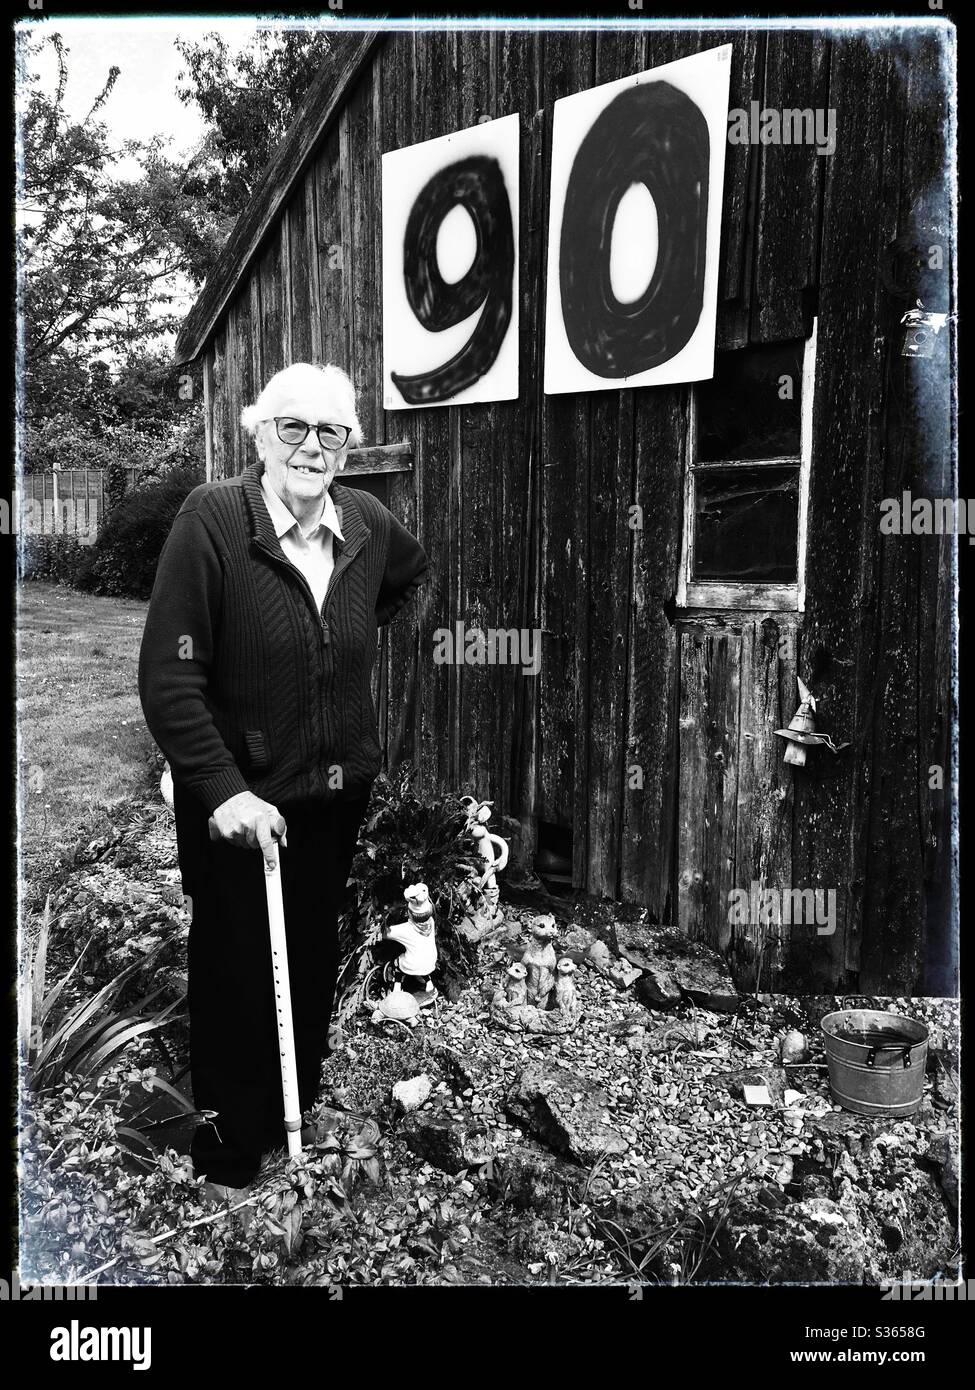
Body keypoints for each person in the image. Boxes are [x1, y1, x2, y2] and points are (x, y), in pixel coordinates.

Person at [138, 362, 427, 1198]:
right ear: (258, 433)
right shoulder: (214, 519)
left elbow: (408, 571)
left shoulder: (367, 522)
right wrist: (221, 787)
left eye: (328, 431)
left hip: (333, 792)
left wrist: (340, 630)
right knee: (232, 971)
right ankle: (230, 1155)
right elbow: (167, 675)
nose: (310, 445)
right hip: (239, 798)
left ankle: (294, 1105)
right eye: (290, 427)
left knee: (307, 952)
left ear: (348, 445)